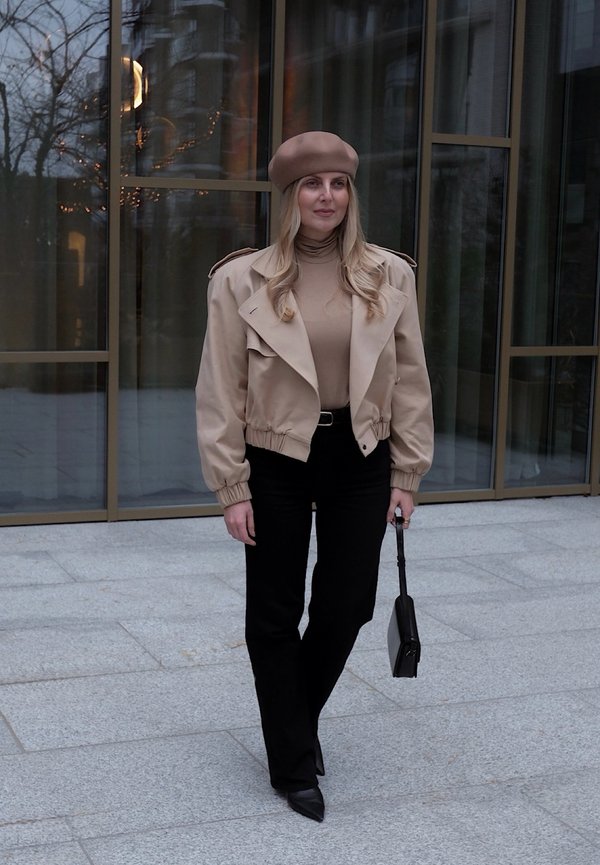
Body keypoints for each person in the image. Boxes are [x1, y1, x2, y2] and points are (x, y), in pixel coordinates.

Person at [195, 131, 434, 822]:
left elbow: (411, 379)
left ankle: (291, 721)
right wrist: (230, 485)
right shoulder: (240, 280)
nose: (325, 195)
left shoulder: (390, 275)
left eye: (337, 182)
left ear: (350, 194)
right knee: (273, 613)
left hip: (361, 455)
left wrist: (407, 470)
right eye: (311, 183)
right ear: (288, 195)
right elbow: (219, 389)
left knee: (347, 603)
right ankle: (294, 761)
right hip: (274, 458)